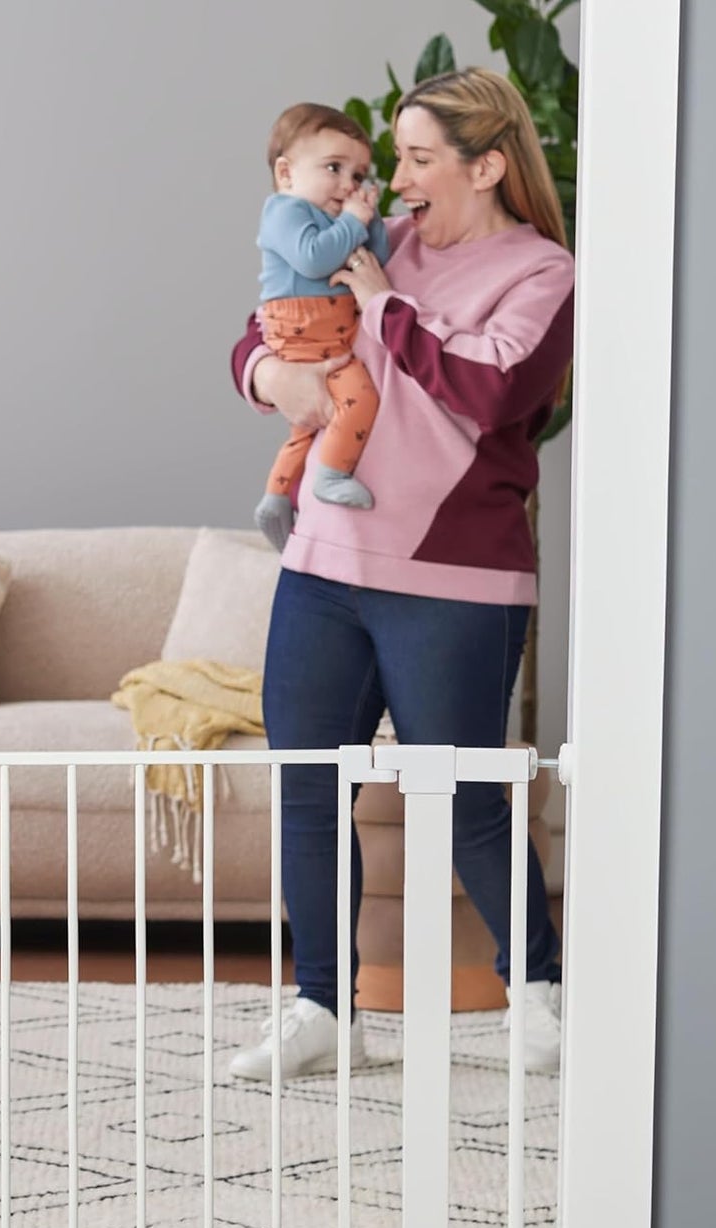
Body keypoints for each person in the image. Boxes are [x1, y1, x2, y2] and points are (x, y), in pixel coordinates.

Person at [227, 67, 572, 1082]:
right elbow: (270, 315)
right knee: (306, 784)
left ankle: (536, 994)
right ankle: (323, 1007)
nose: (397, 176)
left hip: (454, 575)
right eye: (396, 156)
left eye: (420, 157)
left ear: (487, 164)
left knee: (462, 793)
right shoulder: (378, 243)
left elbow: (491, 388)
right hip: (325, 566)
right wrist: (265, 373)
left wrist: (381, 306)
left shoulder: (539, 273)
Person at [254, 103, 391, 552]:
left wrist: (370, 222)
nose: (347, 184)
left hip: (323, 331)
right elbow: (313, 256)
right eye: (334, 167)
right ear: (286, 173)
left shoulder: (339, 221)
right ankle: (332, 474)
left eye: (358, 174)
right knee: (358, 397)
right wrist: (353, 222)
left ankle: (276, 497)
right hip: (302, 328)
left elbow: (378, 263)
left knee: (306, 425)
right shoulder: (284, 211)